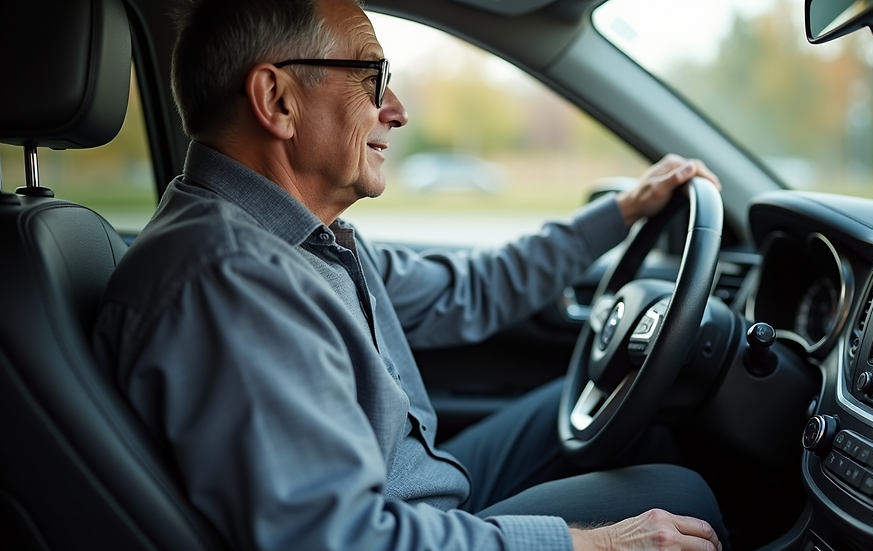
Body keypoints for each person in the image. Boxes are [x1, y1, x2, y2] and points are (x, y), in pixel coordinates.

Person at [92, 0, 729, 550]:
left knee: (626, 400)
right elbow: (337, 539)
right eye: (373, 78)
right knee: (683, 493)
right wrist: (589, 543)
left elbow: (470, 289)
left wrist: (620, 213)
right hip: (398, 523)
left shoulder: (303, 240)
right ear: (276, 100)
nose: (396, 110)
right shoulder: (229, 283)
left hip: (410, 491)